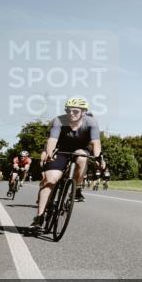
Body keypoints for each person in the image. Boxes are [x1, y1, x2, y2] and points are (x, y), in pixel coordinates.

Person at [32, 97, 105, 227]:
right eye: (68, 110)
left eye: (75, 111)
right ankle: (39, 216)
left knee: (82, 156)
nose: (71, 113)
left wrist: (99, 157)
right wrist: (49, 153)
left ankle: (76, 187)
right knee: (50, 180)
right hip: (61, 151)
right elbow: (52, 140)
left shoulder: (91, 122)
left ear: (83, 112)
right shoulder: (59, 120)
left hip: (80, 149)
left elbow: (95, 142)